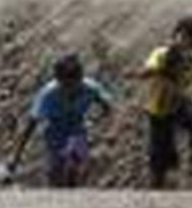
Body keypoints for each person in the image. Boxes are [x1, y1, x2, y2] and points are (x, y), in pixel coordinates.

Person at [134, 16, 192, 189]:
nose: (189, 42)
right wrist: (142, 73)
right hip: (158, 111)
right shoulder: (161, 53)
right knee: (162, 161)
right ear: (176, 35)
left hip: (178, 104)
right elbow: (150, 68)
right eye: (185, 37)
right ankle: (159, 186)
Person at [8, 53, 113, 188]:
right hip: (55, 134)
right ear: (58, 80)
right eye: (65, 84)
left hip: (77, 130)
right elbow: (30, 125)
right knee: (56, 173)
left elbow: (108, 105)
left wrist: (102, 119)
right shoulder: (48, 95)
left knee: (74, 165)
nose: (70, 89)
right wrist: (16, 156)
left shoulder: (89, 88)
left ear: (80, 78)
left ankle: (74, 191)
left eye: (74, 83)